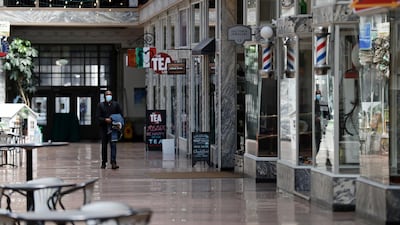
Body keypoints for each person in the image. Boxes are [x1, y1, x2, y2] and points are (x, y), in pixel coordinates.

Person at [95, 90, 123, 169]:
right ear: (104, 96)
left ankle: (113, 162)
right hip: (104, 128)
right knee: (104, 146)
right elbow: (97, 117)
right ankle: (104, 162)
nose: (108, 96)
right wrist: (105, 120)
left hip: (113, 128)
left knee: (113, 145)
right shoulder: (100, 105)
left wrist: (117, 122)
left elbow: (120, 115)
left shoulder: (116, 105)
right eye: (107, 94)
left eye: (110, 94)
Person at [315, 90, 322, 154]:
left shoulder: (323, 103)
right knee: (316, 141)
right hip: (316, 127)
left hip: (320, 126)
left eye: (319, 94)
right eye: (317, 94)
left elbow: (327, 115)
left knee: (319, 141)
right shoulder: (315, 103)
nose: (318, 95)